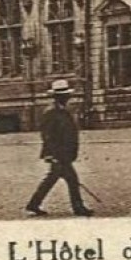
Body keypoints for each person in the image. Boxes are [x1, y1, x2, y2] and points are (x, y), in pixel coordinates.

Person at [26, 78, 93, 217]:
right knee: (68, 180)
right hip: (58, 155)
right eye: (64, 96)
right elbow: (47, 136)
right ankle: (78, 207)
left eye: (67, 95)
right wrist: (51, 155)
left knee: (56, 180)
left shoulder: (63, 111)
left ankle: (33, 204)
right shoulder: (51, 112)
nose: (67, 98)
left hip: (64, 154)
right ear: (57, 97)